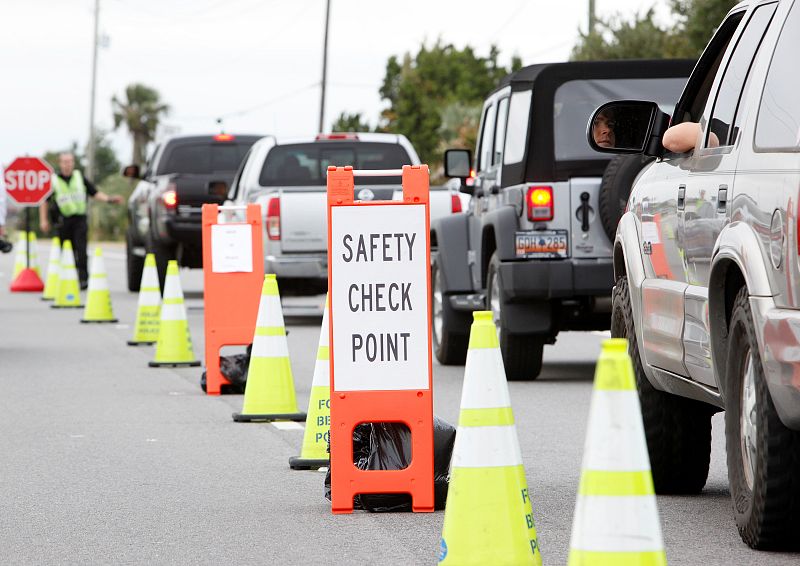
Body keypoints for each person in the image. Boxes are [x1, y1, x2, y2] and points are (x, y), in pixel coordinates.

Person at [39, 152, 123, 289]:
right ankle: (67, 277)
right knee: (66, 251)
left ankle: (83, 279)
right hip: (63, 221)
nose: (68, 164)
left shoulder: (79, 177)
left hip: (79, 219)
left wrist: (109, 199)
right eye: (65, 161)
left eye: (70, 161)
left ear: (73, 163)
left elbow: (94, 192)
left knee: (81, 249)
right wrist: (43, 220)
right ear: (60, 163)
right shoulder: (54, 180)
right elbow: (44, 201)